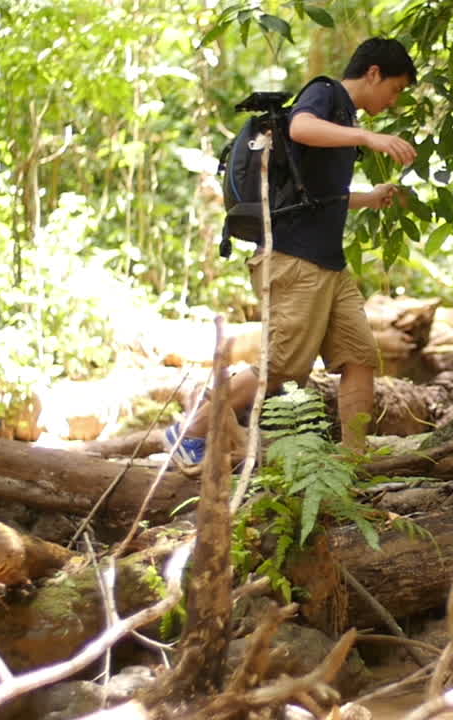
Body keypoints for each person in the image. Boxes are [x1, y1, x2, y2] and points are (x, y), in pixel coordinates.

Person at [165, 37, 417, 466]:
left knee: (359, 358)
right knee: (282, 367)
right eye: (395, 89)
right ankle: (190, 430)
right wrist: (369, 138)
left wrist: (368, 197)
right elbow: (300, 127)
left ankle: (353, 462)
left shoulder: (342, 117)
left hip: (328, 263)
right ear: (373, 73)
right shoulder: (325, 93)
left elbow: (319, 194)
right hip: (294, 258)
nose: (393, 101)